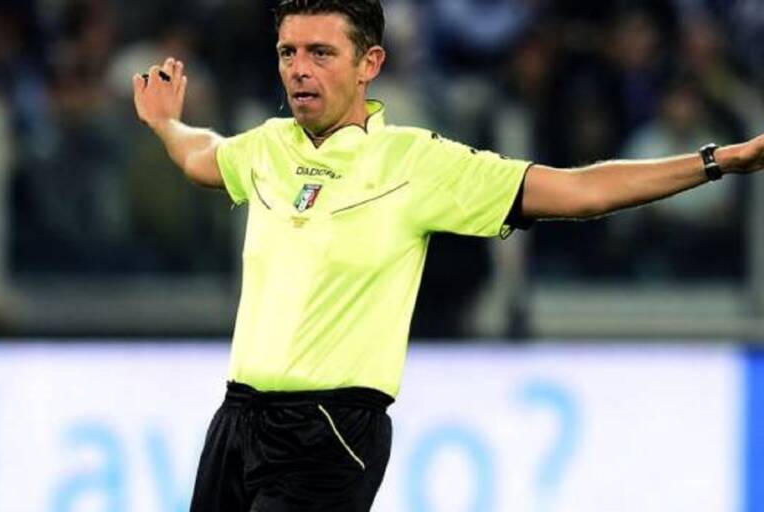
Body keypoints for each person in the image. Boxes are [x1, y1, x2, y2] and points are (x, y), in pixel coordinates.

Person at [132, 1, 764, 510]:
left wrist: (718, 161)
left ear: (369, 63)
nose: (299, 69)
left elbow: (579, 192)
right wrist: (167, 125)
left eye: (320, 52)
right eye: (287, 52)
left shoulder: (417, 163)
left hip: (330, 428)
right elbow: (202, 156)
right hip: (237, 418)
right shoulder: (269, 147)